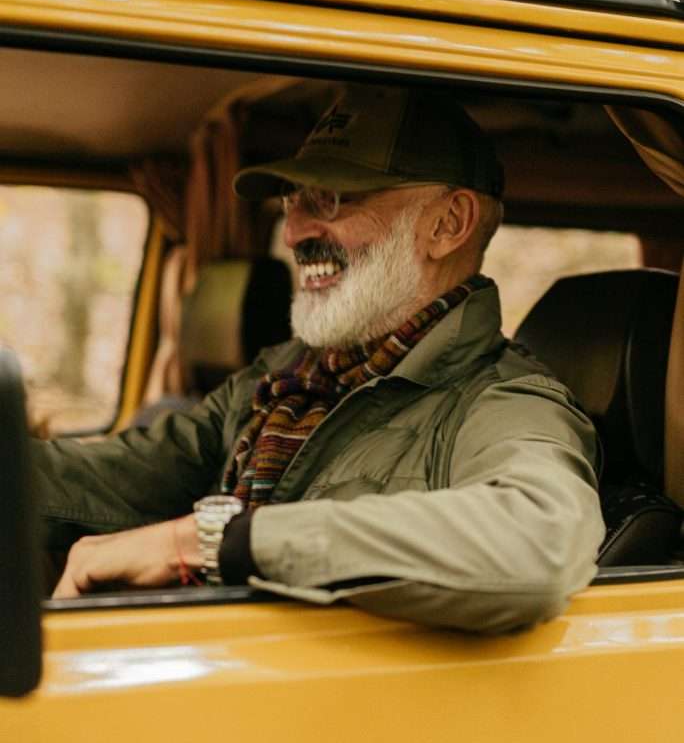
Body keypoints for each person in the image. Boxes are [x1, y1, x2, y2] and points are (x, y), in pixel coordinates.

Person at [37, 83, 605, 631]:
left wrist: (205, 542)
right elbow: (130, 474)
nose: (293, 233)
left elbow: (539, 542)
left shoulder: (504, 400)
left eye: (331, 198)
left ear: (448, 224)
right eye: (294, 200)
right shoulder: (284, 375)